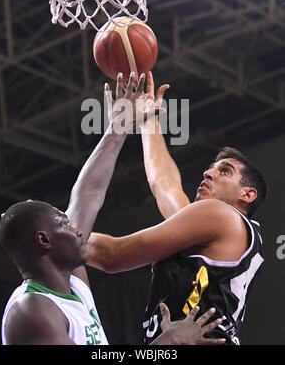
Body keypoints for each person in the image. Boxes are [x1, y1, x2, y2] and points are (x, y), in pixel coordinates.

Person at [0, 72, 224, 346]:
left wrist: (118, 127)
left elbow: (89, 195)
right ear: (44, 240)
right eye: (65, 224)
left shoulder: (71, 285)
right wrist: (167, 342)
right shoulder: (32, 310)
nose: (79, 231)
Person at [86, 72, 267, 345]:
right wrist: (149, 117)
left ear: (247, 194)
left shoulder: (220, 216)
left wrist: (48, 227)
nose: (208, 173)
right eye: (210, 168)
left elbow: (113, 255)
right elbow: (164, 184)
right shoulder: (213, 227)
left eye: (225, 171)